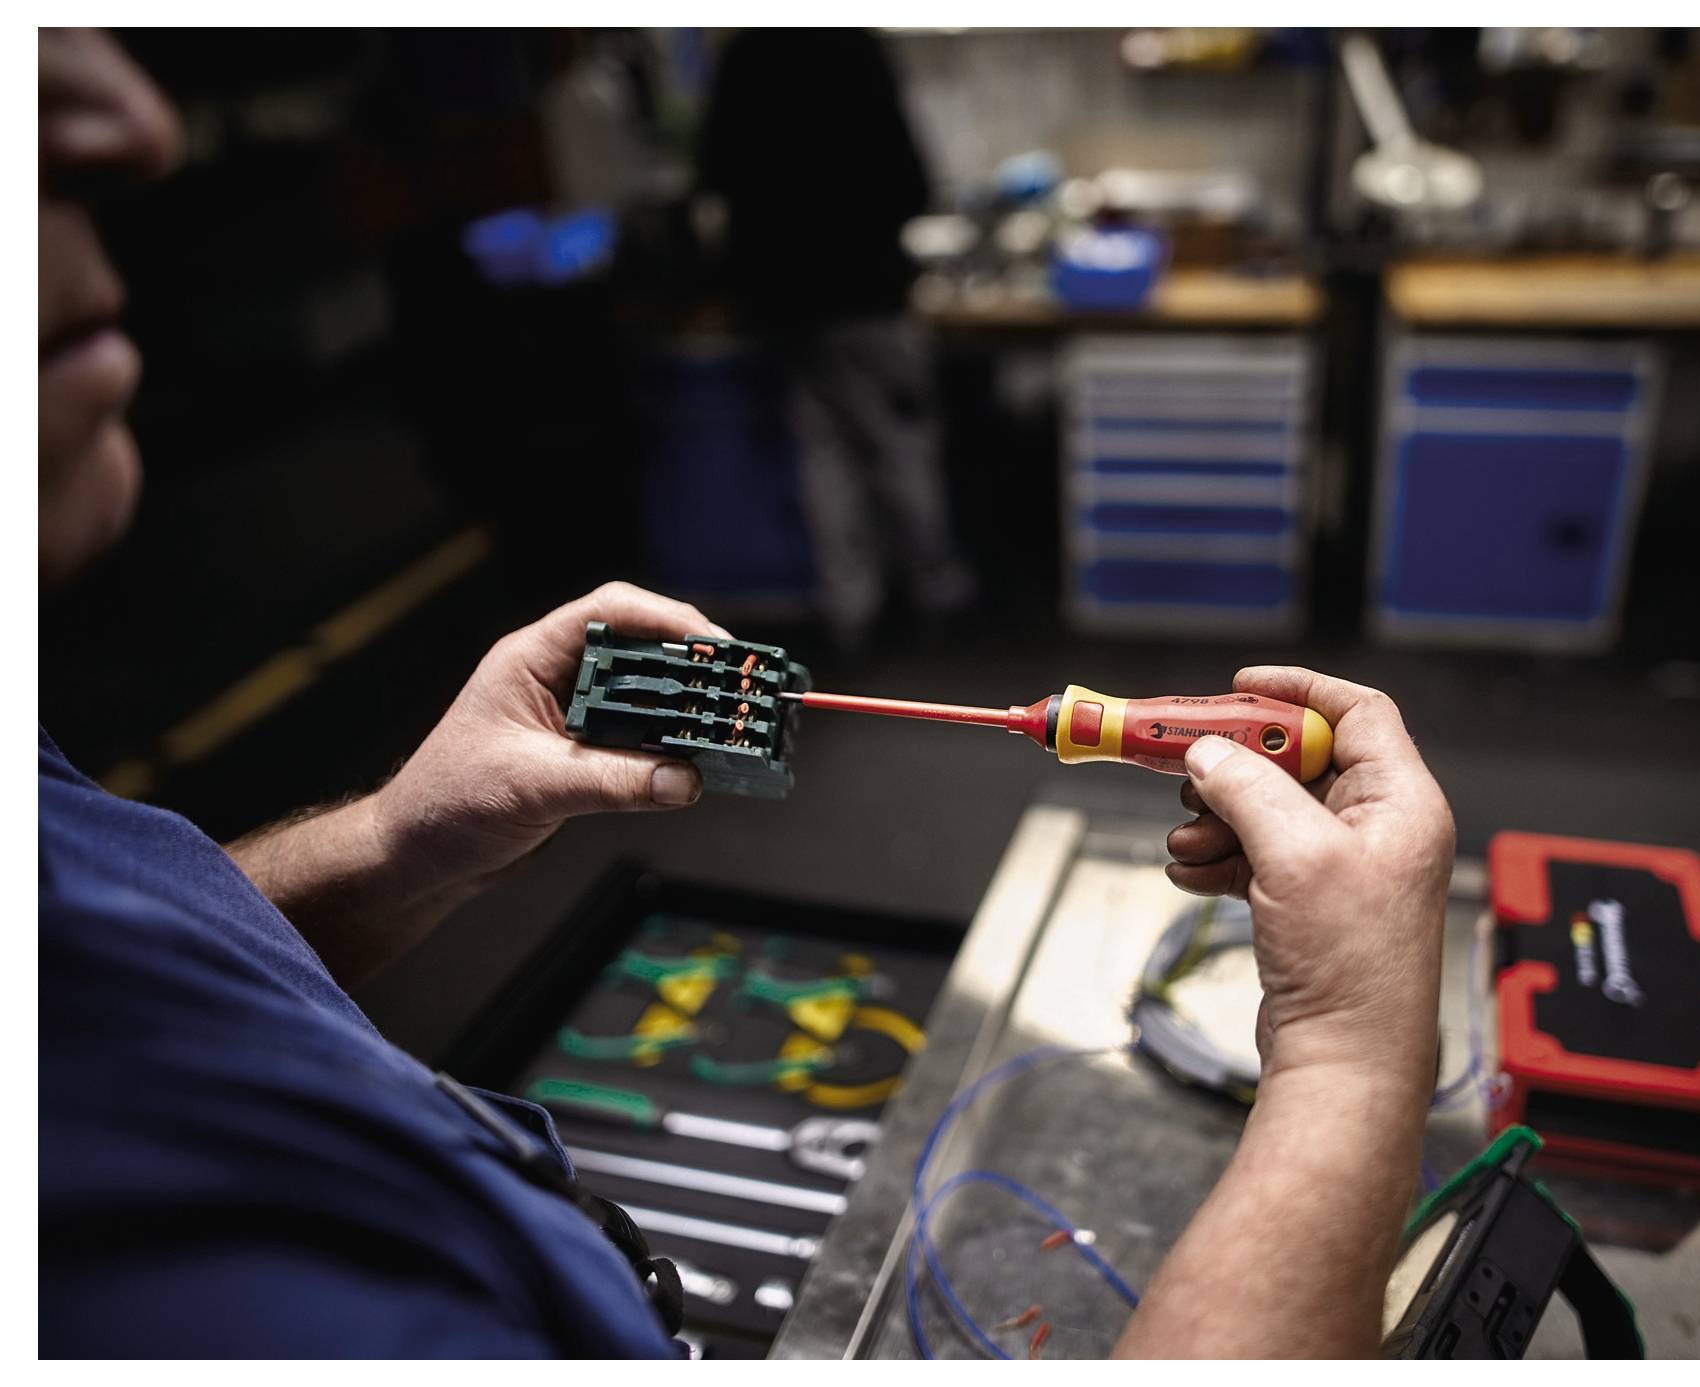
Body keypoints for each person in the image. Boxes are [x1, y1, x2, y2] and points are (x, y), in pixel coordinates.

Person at [38, 29, 1455, 1359]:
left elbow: (102, 986)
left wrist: (392, 841)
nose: (132, 123)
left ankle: (874, 596)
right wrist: (1348, 1054)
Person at [697, 28, 975, 650]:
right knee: (898, 440)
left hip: (784, 302)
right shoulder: (855, 46)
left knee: (822, 453)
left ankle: (851, 605)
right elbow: (912, 184)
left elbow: (713, 175)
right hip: (866, 294)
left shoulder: (746, 51)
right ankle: (934, 591)